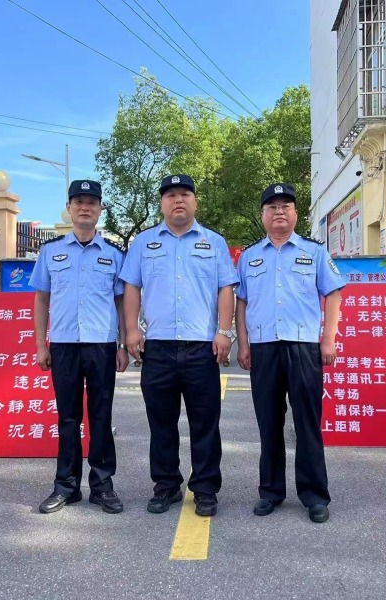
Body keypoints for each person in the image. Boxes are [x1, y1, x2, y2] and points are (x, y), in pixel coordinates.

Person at [119, 174, 238, 517]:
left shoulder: (213, 242)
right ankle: (166, 486)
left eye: (185, 193)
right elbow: (131, 287)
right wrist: (131, 331)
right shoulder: (144, 243)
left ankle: (205, 488)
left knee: (205, 423)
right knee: (161, 423)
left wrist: (224, 331)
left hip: (201, 347)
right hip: (157, 347)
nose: (178, 200)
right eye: (171, 195)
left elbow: (226, 288)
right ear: (162, 203)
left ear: (195, 201)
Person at [235, 183, 345, 524]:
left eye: (286, 206)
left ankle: (315, 496)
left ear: (296, 214)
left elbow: (334, 294)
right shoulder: (250, 256)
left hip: (303, 347)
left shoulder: (314, 252)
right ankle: (270, 492)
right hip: (264, 348)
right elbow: (242, 302)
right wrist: (243, 343)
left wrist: (328, 339)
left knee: (307, 423)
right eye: (272, 207)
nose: (279, 212)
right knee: (269, 422)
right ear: (263, 215)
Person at [30, 179, 129, 515]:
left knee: (101, 416)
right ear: (69, 208)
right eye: (79, 202)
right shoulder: (50, 252)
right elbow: (41, 300)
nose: (85, 207)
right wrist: (41, 345)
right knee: (68, 418)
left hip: (102, 345)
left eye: (92, 202)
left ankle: (102, 486)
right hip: (64, 345)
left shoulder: (114, 255)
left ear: (100, 209)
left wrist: (122, 345)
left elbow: (121, 303)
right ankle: (66, 487)